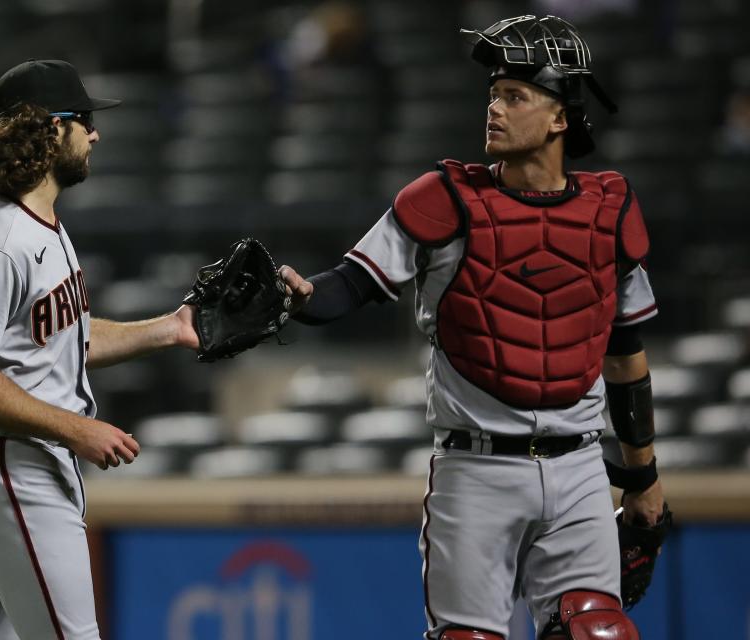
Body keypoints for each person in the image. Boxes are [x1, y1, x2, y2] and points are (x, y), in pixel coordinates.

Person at [279, 15, 667, 640]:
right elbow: (350, 284)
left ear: (561, 116)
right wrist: (293, 297)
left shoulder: (610, 210)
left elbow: (625, 352)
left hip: (580, 470)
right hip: (476, 470)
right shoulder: (445, 199)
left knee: (599, 632)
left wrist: (643, 476)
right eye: (493, 93)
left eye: (515, 96)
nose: (495, 107)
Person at [0, 59, 235, 639]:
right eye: (84, 120)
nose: (94, 133)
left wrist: (169, 328)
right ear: (48, 128)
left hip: (11, 462)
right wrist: (77, 429)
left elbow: (63, 339)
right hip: (12, 463)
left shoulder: (38, 223)